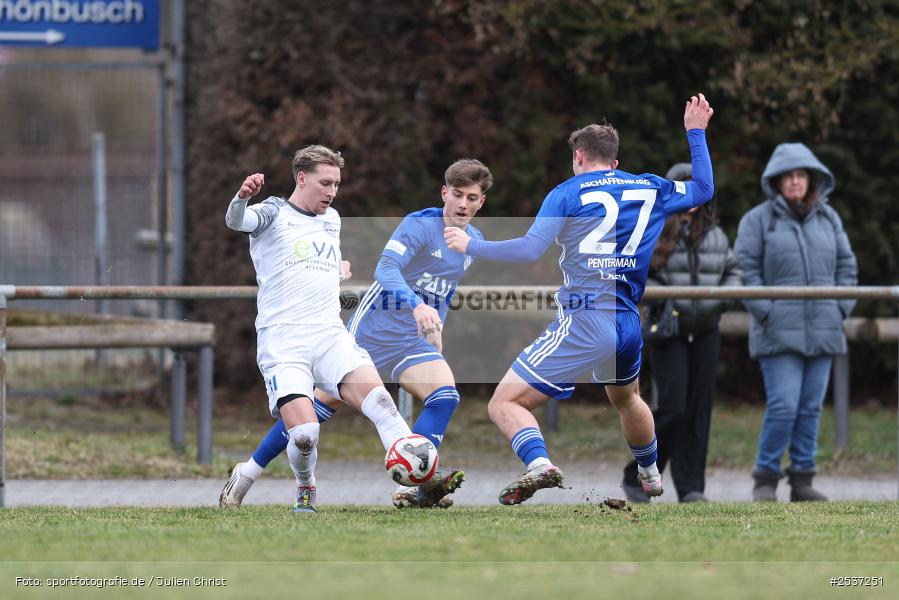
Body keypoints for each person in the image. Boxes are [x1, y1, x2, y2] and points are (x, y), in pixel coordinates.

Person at [445, 94, 716, 504]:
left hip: (586, 317)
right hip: (627, 321)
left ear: (578, 156)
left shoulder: (567, 193)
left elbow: (529, 250)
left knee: (504, 403)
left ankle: (539, 465)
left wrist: (472, 246)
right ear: (615, 162)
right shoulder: (649, 187)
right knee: (627, 397)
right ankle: (649, 472)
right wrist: (695, 133)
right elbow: (704, 188)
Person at [220, 158, 494, 509]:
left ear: (481, 202)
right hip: (372, 333)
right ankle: (250, 470)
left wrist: (434, 323)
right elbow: (386, 269)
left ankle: (417, 485)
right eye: (457, 195)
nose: (463, 204)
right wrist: (417, 306)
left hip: (411, 340)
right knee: (313, 415)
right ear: (445, 193)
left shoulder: (473, 242)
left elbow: (440, 287)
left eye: (472, 198)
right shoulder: (419, 226)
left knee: (445, 396)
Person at [734, 143, 857, 502]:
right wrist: (767, 312)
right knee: (784, 405)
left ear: (811, 179)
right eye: (788, 176)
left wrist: (841, 308)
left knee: (811, 407)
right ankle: (765, 479)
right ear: (776, 181)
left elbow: (848, 267)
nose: (795, 182)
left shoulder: (829, 218)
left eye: (801, 175)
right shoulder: (757, 220)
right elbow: (745, 271)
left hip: (824, 328)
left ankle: (803, 480)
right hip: (777, 331)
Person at [621, 162, 742, 504]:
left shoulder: (716, 235)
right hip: (668, 330)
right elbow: (640, 271)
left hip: (706, 329)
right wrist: (669, 300)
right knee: (672, 406)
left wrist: (720, 300)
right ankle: (639, 474)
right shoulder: (654, 229)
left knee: (698, 410)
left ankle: (691, 488)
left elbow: (734, 271)